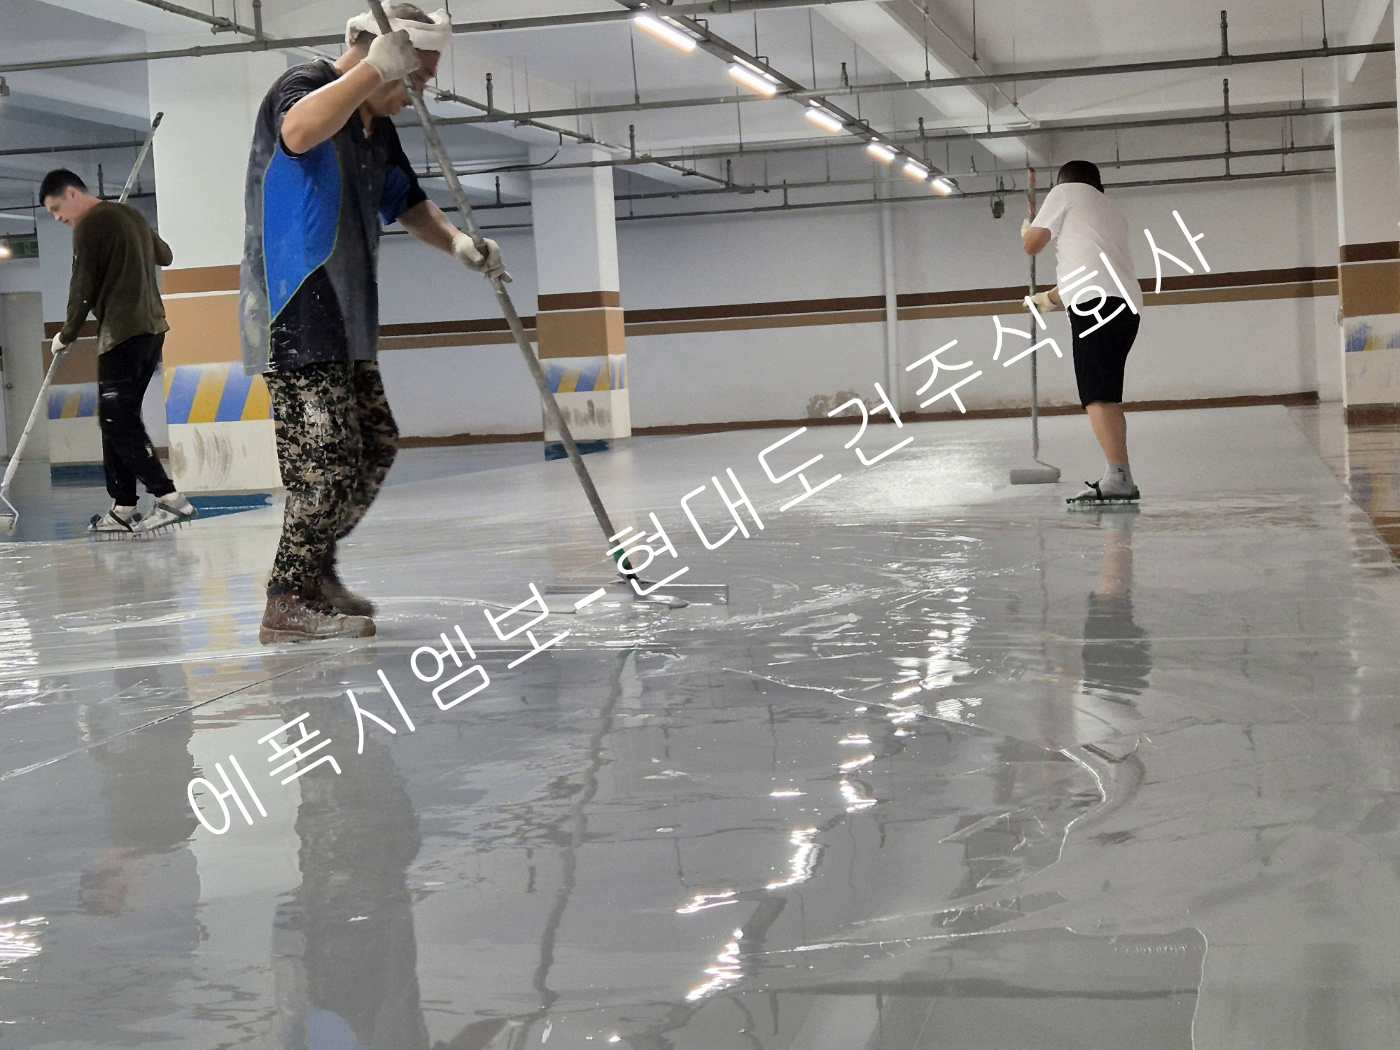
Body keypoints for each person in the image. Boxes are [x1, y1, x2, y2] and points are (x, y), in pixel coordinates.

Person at [239, 3, 503, 645]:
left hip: (350, 315)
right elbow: (299, 132)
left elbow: (406, 201)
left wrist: (458, 244)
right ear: (380, 54)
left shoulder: (376, 129)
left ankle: (315, 571)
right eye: (418, 75)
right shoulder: (303, 86)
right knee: (324, 456)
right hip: (296, 309)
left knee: (374, 442)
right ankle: (286, 599)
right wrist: (367, 73)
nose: (421, 93)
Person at [40, 170, 198, 535]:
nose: (58, 218)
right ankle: (124, 506)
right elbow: (165, 255)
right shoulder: (128, 215)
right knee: (117, 418)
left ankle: (170, 498)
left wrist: (67, 333)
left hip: (123, 334)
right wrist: (132, 230)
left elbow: (82, 286)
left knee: (116, 419)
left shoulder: (90, 226)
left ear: (72, 194)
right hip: (151, 331)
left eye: (56, 208)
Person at [1021, 159, 1144, 505]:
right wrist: (1048, 299)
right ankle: (1120, 474)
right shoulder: (1109, 211)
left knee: (1097, 396)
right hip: (1125, 307)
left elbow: (1032, 244)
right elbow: (1089, 268)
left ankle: (1118, 478)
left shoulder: (1064, 193)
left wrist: (1028, 229)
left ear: (1062, 182)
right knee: (1107, 394)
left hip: (1095, 305)